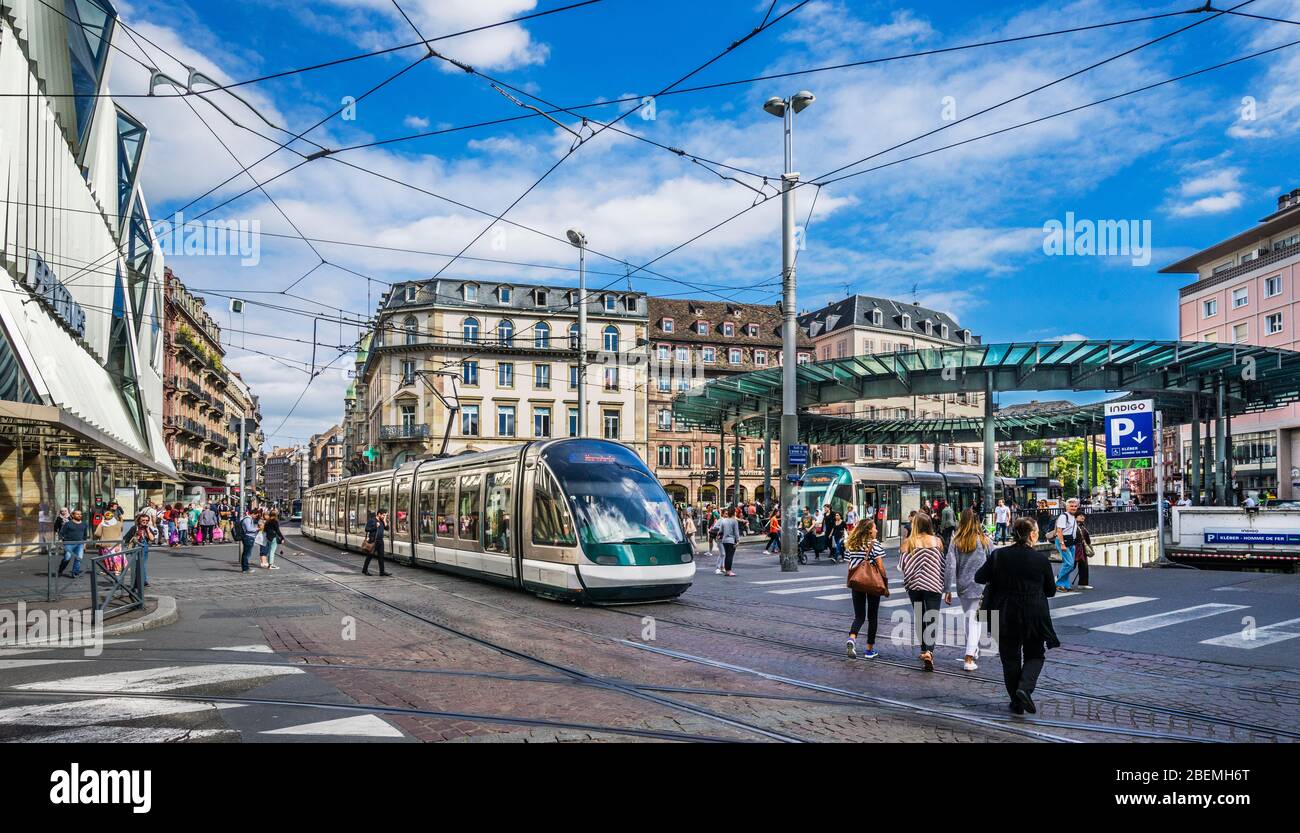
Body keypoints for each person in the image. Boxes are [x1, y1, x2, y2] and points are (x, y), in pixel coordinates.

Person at [975, 516, 1060, 714]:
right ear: (1031, 535)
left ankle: (1016, 701)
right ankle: (1024, 688)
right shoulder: (1040, 559)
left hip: (1004, 612)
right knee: (1035, 654)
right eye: (1036, 531)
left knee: (1010, 658)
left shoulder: (999, 555)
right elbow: (1050, 590)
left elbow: (979, 576)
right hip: (1034, 613)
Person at [945, 508, 991, 672]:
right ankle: (969, 657)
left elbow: (950, 565)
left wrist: (947, 589)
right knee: (975, 621)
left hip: (963, 585)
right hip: (981, 585)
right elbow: (992, 560)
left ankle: (973, 650)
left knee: (969, 619)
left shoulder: (955, 540)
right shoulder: (984, 539)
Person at [899, 512, 944, 672]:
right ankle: (929, 652)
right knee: (932, 617)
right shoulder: (937, 541)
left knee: (919, 616)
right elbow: (941, 564)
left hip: (914, 585)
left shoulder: (907, 543)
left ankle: (923, 650)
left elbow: (903, 566)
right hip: (933, 584)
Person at [844, 519, 886, 660]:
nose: (877, 530)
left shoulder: (852, 545)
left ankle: (852, 638)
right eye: (875, 528)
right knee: (872, 617)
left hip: (857, 582)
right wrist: (885, 582)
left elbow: (850, 565)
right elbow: (880, 567)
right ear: (869, 530)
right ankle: (869, 650)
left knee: (859, 616)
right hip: (872, 584)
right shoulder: (874, 545)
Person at [1053, 497, 1080, 591]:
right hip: (1063, 541)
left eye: (1075, 506)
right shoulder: (1064, 516)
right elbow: (1059, 531)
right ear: (1067, 507)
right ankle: (1057, 582)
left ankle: (1065, 584)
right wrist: (1062, 544)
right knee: (1069, 564)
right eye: (1071, 506)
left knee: (1070, 565)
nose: (1074, 508)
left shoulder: (1072, 516)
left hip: (1071, 542)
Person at [56, 508, 89, 578]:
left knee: (79, 558)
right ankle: (60, 570)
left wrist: (85, 544)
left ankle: (75, 573)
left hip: (80, 544)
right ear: (73, 515)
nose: (79, 515)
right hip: (69, 543)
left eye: (80, 514)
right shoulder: (68, 524)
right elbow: (61, 533)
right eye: (77, 514)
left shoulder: (84, 524)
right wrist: (61, 542)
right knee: (67, 558)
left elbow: (85, 535)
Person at [710, 507, 740, 577]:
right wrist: (738, 540)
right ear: (733, 513)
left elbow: (720, 531)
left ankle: (726, 570)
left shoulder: (724, 521)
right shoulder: (734, 521)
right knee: (730, 556)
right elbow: (736, 532)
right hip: (731, 540)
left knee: (726, 555)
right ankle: (729, 571)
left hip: (724, 540)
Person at [363, 509, 390, 576]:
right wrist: (375, 526)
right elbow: (367, 529)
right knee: (370, 556)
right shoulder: (371, 520)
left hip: (380, 541)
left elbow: (387, 528)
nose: (384, 516)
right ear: (379, 514)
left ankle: (382, 571)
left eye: (385, 515)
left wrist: (384, 520)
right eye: (383, 515)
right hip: (373, 541)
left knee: (381, 557)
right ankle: (364, 570)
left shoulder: (382, 521)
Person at [1073, 509, 1094, 590]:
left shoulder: (1082, 526)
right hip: (1076, 547)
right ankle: (1059, 579)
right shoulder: (1074, 526)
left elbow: (1086, 537)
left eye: (1083, 516)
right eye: (1080, 516)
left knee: (1084, 565)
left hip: (1081, 547)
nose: (1083, 517)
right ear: (1075, 517)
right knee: (1071, 565)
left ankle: (1083, 583)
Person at [238, 509, 260, 573]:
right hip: (248, 537)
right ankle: (245, 568)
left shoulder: (249, 519)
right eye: (256, 515)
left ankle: (245, 568)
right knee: (246, 554)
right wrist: (257, 529)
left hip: (249, 537)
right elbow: (249, 529)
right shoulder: (247, 519)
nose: (256, 517)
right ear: (253, 513)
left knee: (247, 553)